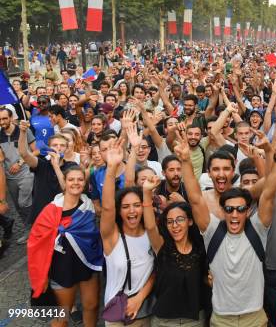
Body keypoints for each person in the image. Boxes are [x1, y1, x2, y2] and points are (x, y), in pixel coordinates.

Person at [178, 129, 276, 327]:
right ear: (222, 211)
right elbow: (194, 198)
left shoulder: (258, 229)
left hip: (255, 317)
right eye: (229, 209)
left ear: (248, 209)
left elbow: (269, 192)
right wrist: (185, 161)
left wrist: (275, 158)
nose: (234, 214)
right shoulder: (211, 228)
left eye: (240, 209)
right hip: (221, 318)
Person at [27, 166, 103, 327]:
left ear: (85, 183)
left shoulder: (88, 205)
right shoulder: (51, 210)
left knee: (92, 305)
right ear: (65, 183)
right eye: (71, 179)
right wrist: (42, 275)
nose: (76, 183)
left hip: (86, 263)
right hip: (61, 267)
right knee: (62, 316)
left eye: (80, 179)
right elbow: (36, 244)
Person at [141, 171, 210, 326]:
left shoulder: (200, 248)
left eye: (180, 219)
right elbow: (150, 227)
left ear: (190, 221)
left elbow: (204, 279)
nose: (175, 225)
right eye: (170, 221)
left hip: (195, 321)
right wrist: (146, 193)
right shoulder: (162, 247)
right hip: (164, 321)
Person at [100, 138, 155, 326]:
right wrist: (111, 168)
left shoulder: (152, 233)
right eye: (125, 207)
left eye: (137, 205)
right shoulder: (111, 236)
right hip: (117, 315)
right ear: (119, 210)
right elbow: (107, 207)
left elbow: (156, 271)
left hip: (145, 312)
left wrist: (139, 298)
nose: (132, 211)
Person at [0, 108, 36, 243]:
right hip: (9, 177)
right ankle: (29, 230)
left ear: (10, 118)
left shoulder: (24, 130)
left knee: (24, 202)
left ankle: (36, 226)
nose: (2, 122)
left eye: (4, 118)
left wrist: (20, 163)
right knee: (18, 207)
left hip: (26, 173)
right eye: (0, 119)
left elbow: (36, 151)